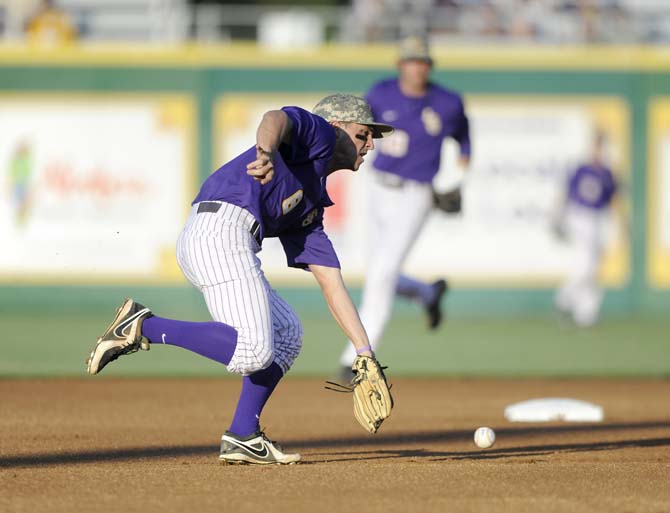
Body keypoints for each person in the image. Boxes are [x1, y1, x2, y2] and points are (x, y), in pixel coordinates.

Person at [85, 93, 394, 465]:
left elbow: (331, 281)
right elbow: (275, 118)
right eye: (363, 134)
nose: (370, 144)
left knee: (287, 335)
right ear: (337, 128)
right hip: (221, 230)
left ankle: (243, 434)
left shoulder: (312, 202)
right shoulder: (320, 136)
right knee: (254, 350)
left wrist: (364, 351)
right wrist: (265, 153)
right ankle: (145, 326)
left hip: (228, 240)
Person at [338, 36, 471, 376]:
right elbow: (358, 129)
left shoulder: (447, 102)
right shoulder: (381, 93)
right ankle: (426, 292)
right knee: (379, 271)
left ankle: (356, 359)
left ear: (430, 65)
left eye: (423, 61)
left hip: (417, 194)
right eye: (412, 60)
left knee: (382, 274)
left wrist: (455, 180)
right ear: (400, 64)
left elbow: (465, 140)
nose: (418, 67)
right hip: (378, 187)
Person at [553, 132, 618, 327]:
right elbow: (566, 193)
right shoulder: (581, 169)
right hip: (579, 216)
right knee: (586, 264)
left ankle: (586, 313)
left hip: (598, 218)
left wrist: (622, 224)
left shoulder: (607, 173)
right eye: (596, 145)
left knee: (593, 267)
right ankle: (565, 299)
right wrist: (558, 215)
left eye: (601, 146)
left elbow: (614, 200)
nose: (598, 150)